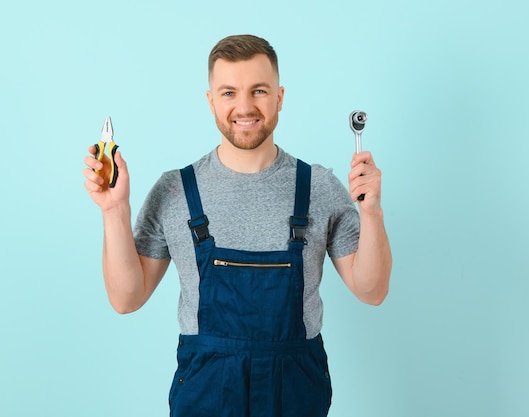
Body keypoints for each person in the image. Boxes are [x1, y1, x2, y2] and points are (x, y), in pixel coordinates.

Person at [83, 34, 391, 417]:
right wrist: (114, 210)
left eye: (258, 90)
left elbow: (372, 290)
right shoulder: (174, 190)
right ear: (211, 101)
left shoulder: (319, 187)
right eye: (228, 92)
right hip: (206, 392)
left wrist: (373, 213)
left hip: (295, 392)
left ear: (279, 97)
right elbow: (126, 299)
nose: (244, 107)